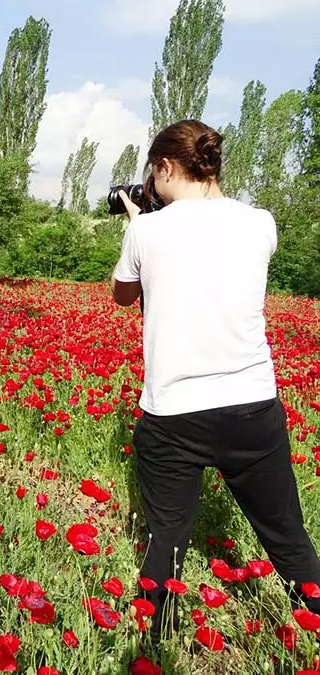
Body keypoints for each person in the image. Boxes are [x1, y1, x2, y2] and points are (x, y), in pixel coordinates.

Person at [111, 119, 320, 641]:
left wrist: (139, 222)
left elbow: (122, 295)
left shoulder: (146, 229)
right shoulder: (261, 223)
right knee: (288, 537)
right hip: (251, 406)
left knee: (168, 540)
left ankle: (155, 645)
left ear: (163, 168)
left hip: (174, 412)